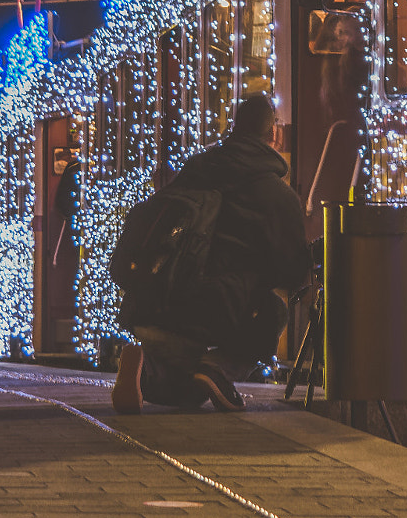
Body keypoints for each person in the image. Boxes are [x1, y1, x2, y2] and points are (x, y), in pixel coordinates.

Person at [111, 94, 308, 414]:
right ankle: (220, 367)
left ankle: (145, 365)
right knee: (274, 311)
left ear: (234, 128)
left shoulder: (198, 167)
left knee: (189, 397)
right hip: (211, 319)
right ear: (274, 134)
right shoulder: (277, 195)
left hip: (150, 306)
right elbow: (292, 273)